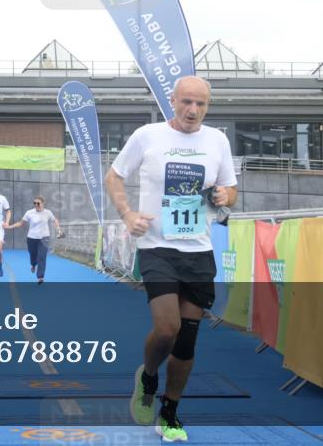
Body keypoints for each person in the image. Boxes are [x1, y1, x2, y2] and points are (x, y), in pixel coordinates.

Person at [105, 76, 238, 443]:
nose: (193, 111)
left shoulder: (217, 141)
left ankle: (171, 412)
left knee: (187, 341)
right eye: (186, 102)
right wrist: (128, 214)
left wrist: (226, 197)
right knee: (167, 328)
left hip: (198, 250)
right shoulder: (147, 136)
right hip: (156, 246)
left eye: (201, 104)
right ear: (172, 100)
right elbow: (114, 177)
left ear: (208, 106)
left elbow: (230, 189)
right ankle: (148, 376)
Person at [5, 195, 61, 284]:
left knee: (42, 257)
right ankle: (33, 265)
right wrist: (10, 226)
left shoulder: (48, 212)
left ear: (43, 203)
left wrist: (58, 229)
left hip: (44, 238)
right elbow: (21, 223)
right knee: (33, 256)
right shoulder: (29, 213)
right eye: (34, 203)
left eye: (38, 203)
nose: (36, 205)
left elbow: (55, 220)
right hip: (31, 238)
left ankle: (40, 277)